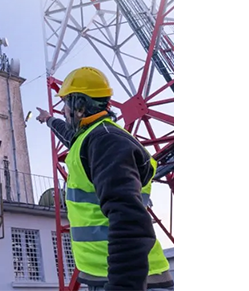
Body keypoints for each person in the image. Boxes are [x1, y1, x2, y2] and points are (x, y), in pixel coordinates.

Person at [37, 67, 173, 291]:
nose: (63, 111)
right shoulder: (95, 137)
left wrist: (123, 285)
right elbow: (71, 135)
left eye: (66, 105)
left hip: (131, 279)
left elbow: (128, 217)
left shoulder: (105, 142)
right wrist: (49, 120)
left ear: (79, 108)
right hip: (109, 274)